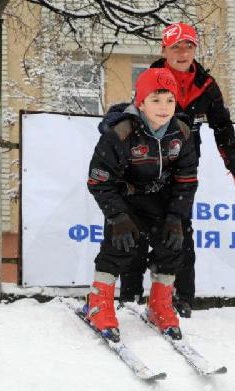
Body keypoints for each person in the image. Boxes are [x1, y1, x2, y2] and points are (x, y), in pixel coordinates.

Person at [119, 22, 235, 317]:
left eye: (188, 46)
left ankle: (182, 297)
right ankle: (130, 295)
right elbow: (130, 121)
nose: (182, 52)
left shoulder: (207, 85)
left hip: (183, 169)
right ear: (164, 50)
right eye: (176, 46)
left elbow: (222, 127)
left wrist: (234, 164)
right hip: (145, 167)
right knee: (135, 232)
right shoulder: (150, 79)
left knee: (180, 233)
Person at [85, 68, 198, 341]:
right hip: (125, 199)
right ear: (141, 102)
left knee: (173, 246)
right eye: (156, 100)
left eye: (169, 100)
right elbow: (99, 180)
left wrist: (175, 218)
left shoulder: (181, 132)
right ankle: (97, 303)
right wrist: (118, 217)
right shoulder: (120, 133)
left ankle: (160, 305)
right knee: (120, 246)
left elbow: (186, 179)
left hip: (162, 200)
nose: (163, 108)